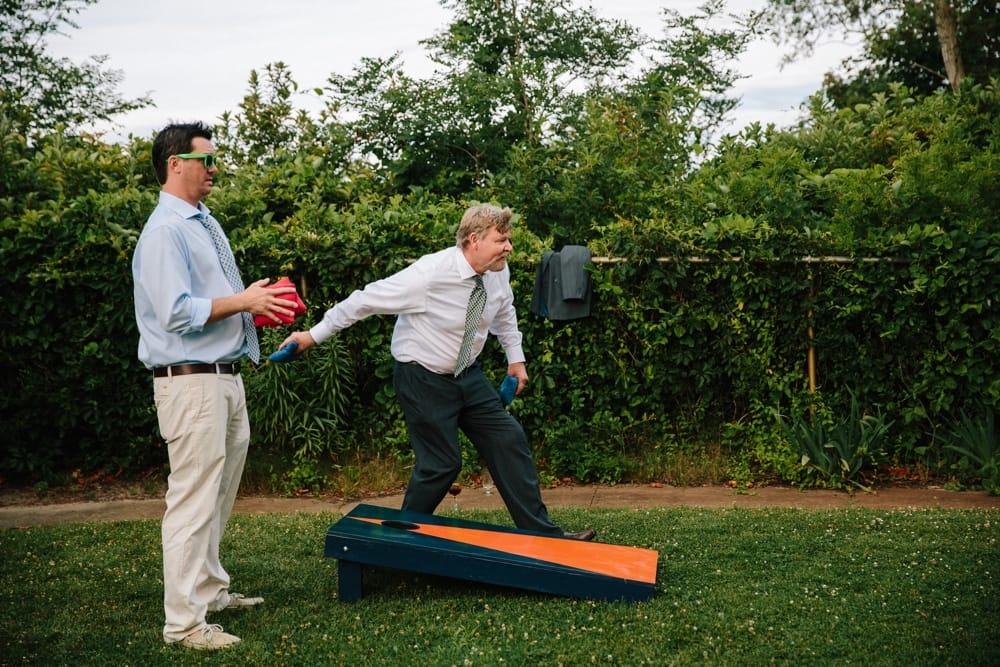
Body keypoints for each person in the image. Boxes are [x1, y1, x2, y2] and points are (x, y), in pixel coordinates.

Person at [278, 204, 596, 541]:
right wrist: (311, 336)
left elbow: (504, 311)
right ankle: (398, 544)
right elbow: (364, 301)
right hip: (422, 376)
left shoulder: (497, 270)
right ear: (474, 240)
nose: (509, 247)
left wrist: (515, 360)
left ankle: (544, 536)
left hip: (467, 376)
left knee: (508, 439)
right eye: (501, 240)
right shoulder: (429, 274)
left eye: (508, 239)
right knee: (441, 463)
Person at [132, 121, 298, 651]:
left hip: (223, 376)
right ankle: (183, 625)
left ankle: (208, 591)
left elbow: (212, 301)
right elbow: (175, 312)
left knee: (218, 496)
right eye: (206, 161)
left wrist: (252, 299)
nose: (214, 170)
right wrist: (244, 302)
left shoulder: (203, 222)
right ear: (175, 163)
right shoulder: (165, 231)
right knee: (192, 500)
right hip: (190, 382)